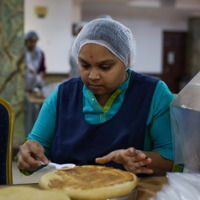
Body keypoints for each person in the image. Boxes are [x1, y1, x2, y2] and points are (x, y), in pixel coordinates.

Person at [17, 18, 174, 176]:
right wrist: (27, 157)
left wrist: (138, 159)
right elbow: (34, 155)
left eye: (105, 67)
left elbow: (173, 160)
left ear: (126, 60)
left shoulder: (153, 94)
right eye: (84, 65)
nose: (92, 76)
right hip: (69, 192)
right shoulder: (62, 96)